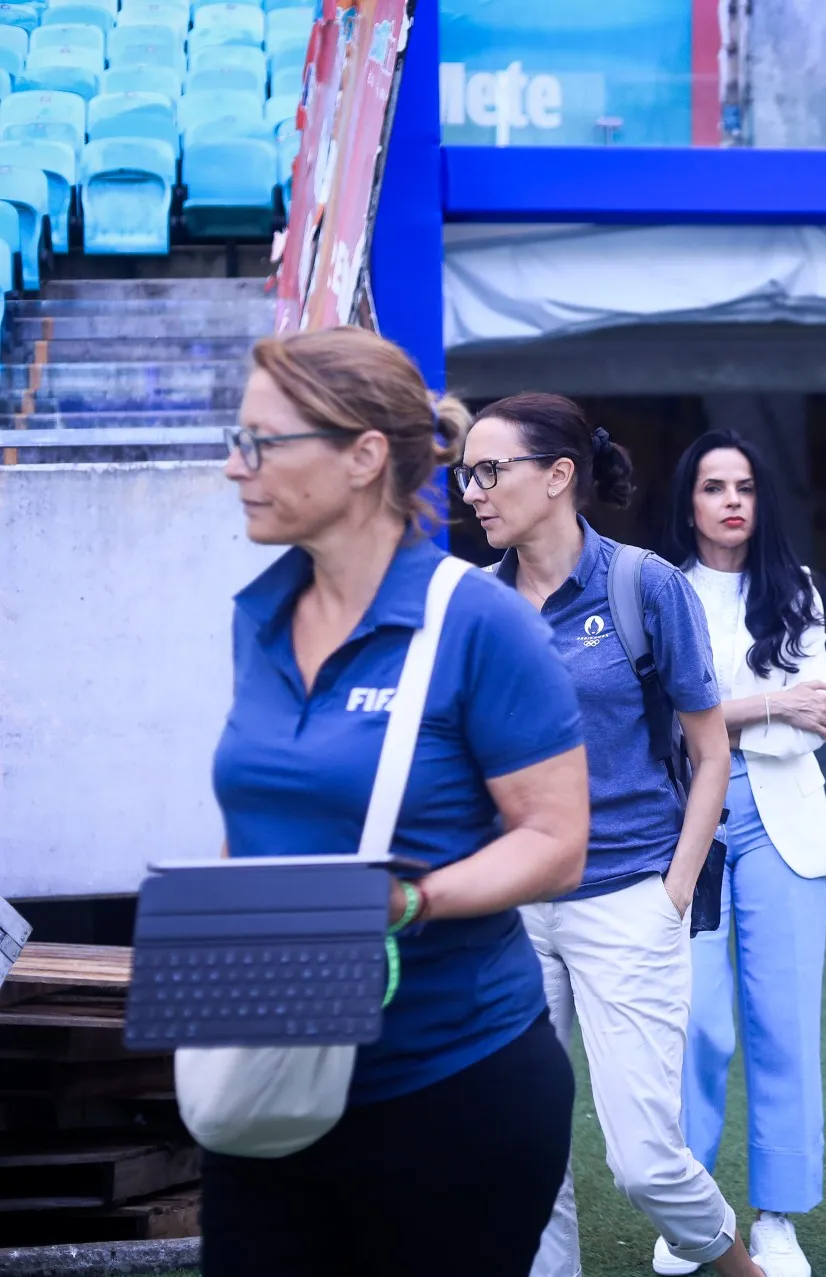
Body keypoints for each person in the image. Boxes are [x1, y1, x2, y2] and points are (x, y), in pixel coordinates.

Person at [201, 329, 591, 1277]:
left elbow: (556, 841)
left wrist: (412, 899)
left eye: (260, 442)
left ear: (364, 455)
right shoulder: (260, 615)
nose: (232, 467)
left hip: (451, 1081)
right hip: (271, 1083)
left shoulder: (478, 620)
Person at [457, 395, 766, 1277]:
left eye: (490, 471)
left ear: (558, 477)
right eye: (465, 475)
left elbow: (709, 751)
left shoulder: (643, 585)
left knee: (644, 1161)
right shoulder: (478, 604)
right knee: (520, 1147)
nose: (473, 493)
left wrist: (673, 887)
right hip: (512, 910)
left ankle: (734, 1264)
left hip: (627, 897)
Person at [669, 432, 826, 1277]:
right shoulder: (659, 589)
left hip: (782, 820)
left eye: (743, 485)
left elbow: (820, 716)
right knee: (696, 1022)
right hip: (685, 823)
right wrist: (770, 703)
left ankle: (777, 1217)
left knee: (784, 1025)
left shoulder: (796, 591)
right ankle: (694, 1212)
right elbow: (664, 718)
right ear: (690, 501)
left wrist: (720, 712)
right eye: (713, 486)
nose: (731, 500)